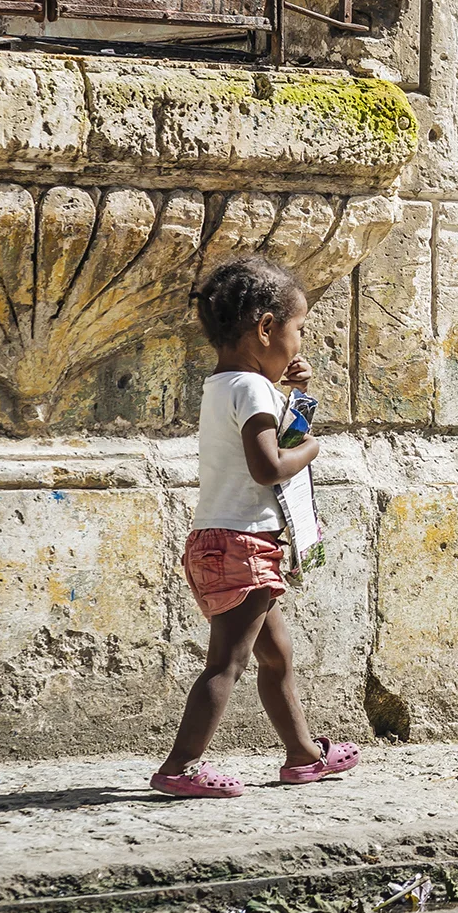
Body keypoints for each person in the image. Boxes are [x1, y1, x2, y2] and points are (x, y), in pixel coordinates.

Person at [150, 256, 359, 799]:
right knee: (228, 661)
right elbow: (270, 466)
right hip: (244, 543)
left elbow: (263, 445)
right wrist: (312, 446)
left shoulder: (225, 384)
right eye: (299, 330)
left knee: (276, 653)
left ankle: (304, 755)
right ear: (266, 328)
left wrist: (296, 404)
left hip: (218, 541)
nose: (299, 344)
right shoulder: (254, 390)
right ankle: (179, 767)